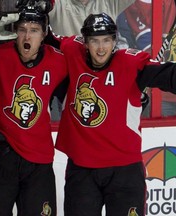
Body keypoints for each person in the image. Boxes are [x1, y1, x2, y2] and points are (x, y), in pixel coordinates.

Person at [52, 13, 176, 216]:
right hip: (83, 171)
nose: (101, 48)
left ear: (114, 41)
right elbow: (45, 38)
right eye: (95, 41)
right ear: (85, 43)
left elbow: (168, 75)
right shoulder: (72, 53)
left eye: (106, 41)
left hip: (124, 172)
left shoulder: (131, 64)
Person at [0, 2, 67, 215]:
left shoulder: (60, 60)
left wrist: (132, 90)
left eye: (34, 31)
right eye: (23, 30)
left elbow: (95, 63)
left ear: (44, 34)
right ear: (15, 32)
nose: (27, 37)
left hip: (38, 160)